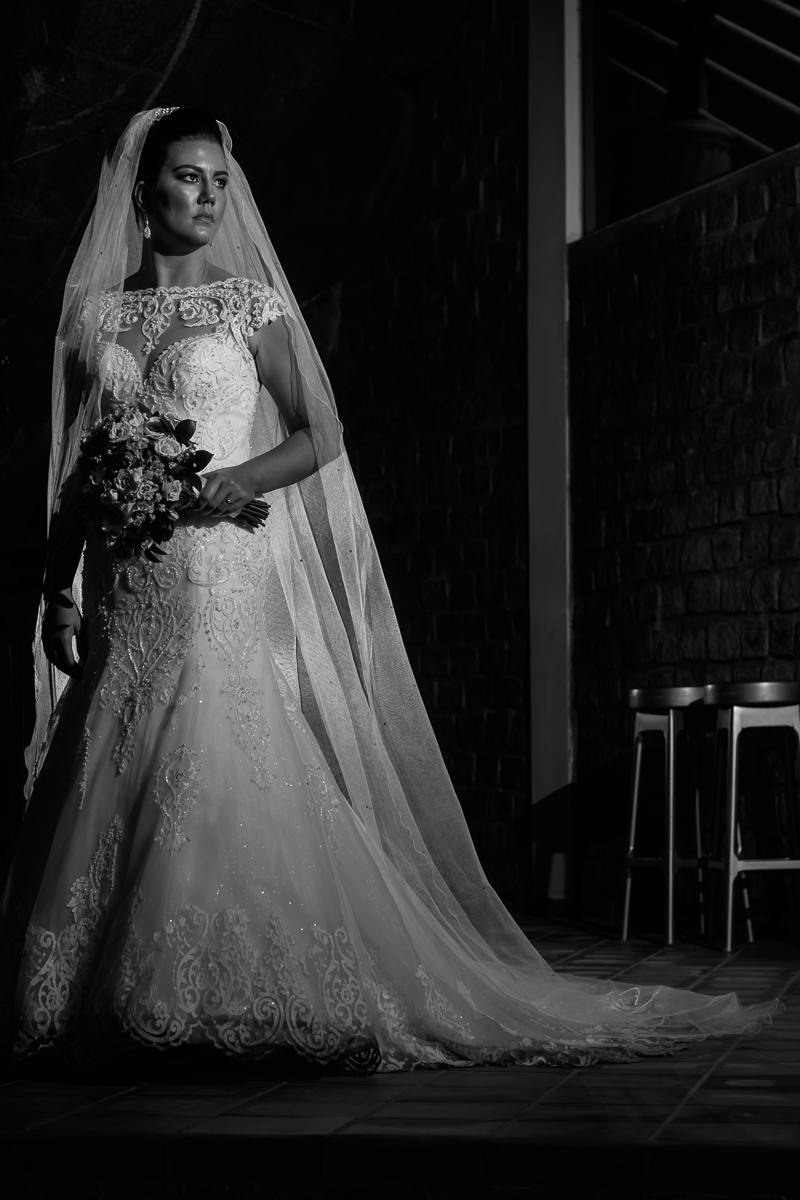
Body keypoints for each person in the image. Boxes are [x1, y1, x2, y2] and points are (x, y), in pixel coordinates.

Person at [0, 108, 780, 1072]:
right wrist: (59, 589)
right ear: (143, 191)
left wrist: (243, 478)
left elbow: (319, 435)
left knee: (208, 744)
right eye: (190, 178)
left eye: (219, 181)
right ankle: (102, 990)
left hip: (220, 573)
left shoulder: (250, 307)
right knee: (115, 748)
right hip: (128, 580)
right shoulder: (96, 320)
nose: (209, 196)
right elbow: (83, 465)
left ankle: (227, 986)